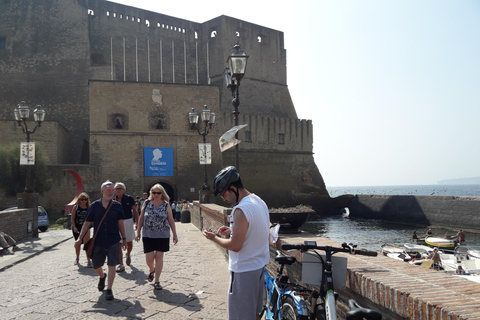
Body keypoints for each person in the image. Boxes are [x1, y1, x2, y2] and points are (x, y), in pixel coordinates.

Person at [203, 166, 270, 320]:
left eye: (223, 194)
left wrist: (214, 238)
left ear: (232, 188)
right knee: (255, 314)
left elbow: (235, 246)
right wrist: (233, 230)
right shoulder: (259, 202)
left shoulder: (240, 210)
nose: (224, 199)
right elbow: (256, 230)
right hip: (259, 267)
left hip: (244, 271)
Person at [74, 180, 127, 301]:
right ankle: (102, 276)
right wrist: (79, 238)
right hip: (99, 239)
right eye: (108, 190)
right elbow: (87, 223)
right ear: (102, 191)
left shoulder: (117, 206)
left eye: (112, 190)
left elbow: (120, 222)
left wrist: (124, 238)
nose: (111, 192)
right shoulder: (94, 206)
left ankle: (109, 289)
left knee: (112, 264)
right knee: (96, 265)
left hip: (113, 239)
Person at [135, 184, 178, 291]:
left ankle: (157, 280)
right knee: (149, 258)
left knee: (159, 257)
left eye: (158, 193)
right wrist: (138, 232)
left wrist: (175, 234)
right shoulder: (147, 203)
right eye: (154, 193)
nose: (156, 195)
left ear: (162, 193)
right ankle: (152, 270)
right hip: (148, 234)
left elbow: (171, 220)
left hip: (162, 234)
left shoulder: (166, 205)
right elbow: (141, 218)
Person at [113, 182, 139, 273]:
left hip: (128, 221)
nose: (117, 190)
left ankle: (128, 254)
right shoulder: (113, 200)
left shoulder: (129, 198)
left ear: (124, 190)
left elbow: (135, 211)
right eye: (116, 189)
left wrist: (137, 222)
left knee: (129, 242)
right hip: (116, 223)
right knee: (118, 243)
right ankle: (121, 264)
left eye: (119, 188)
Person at [71, 192, 92, 267]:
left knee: (87, 244)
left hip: (86, 227)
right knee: (78, 244)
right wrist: (74, 227)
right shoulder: (76, 207)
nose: (84, 201)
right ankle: (77, 258)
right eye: (82, 199)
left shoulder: (89, 207)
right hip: (77, 227)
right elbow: (72, 218)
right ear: (79, 200)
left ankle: (89, 260)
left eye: (85, 199)